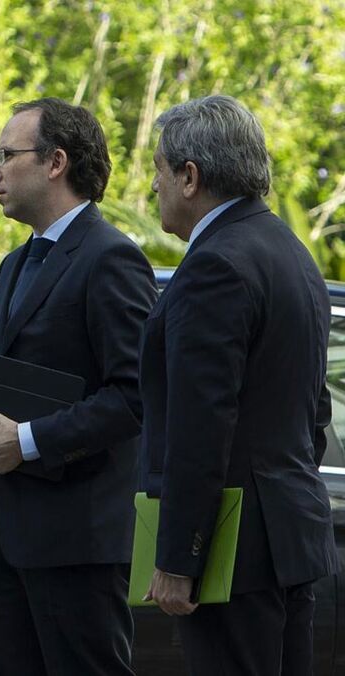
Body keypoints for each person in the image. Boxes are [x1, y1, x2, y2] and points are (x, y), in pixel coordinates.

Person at [0, 98, 156, 675]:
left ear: (55, 162)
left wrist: (27, 441)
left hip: (75, 543)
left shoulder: (112, 257)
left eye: (5, 155)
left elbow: (135, 396)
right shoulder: (14, 264)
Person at [142, 94, 338, 674]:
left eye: (158, 169)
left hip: (234, 554)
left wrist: (180, 558)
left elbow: (201, 427)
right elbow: (313, 410)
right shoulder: (290, 251)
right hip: (287, 541)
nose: (153, 185)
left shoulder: (215, 265)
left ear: (189, 176)